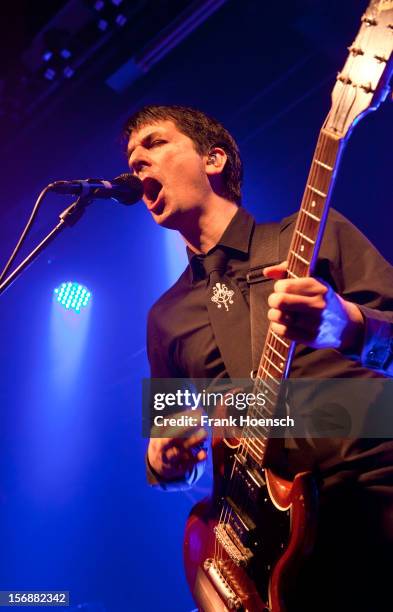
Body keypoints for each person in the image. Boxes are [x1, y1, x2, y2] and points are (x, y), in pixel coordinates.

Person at [124, 105, 393, 611]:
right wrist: (163, 461)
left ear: (214, 159)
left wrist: (350, 326)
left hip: (372, 501)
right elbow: (170, 453)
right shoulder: (164, 317)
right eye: (131, 157)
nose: (136, 161)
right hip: (267, 555)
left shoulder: (312, 237)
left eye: (155, 144)